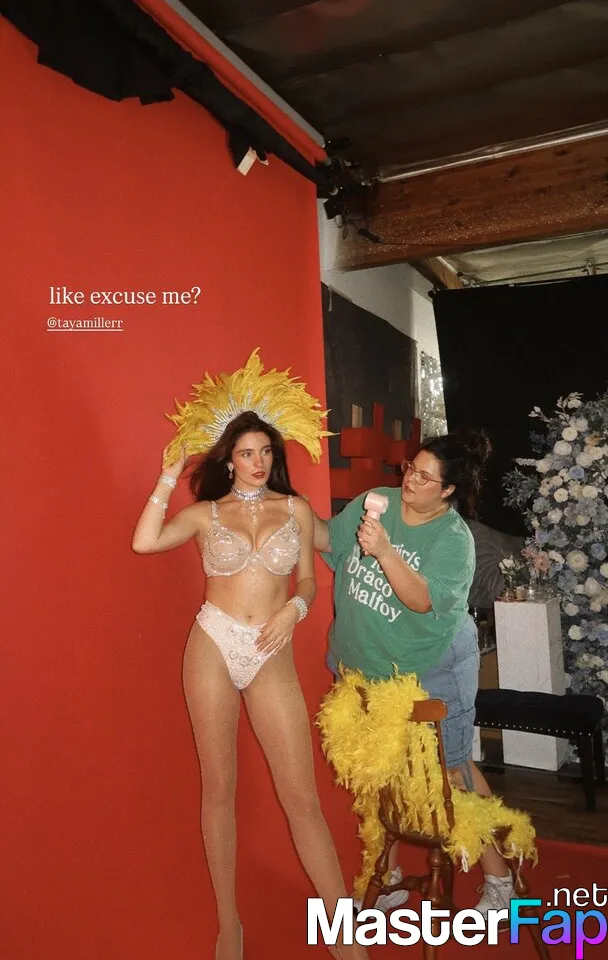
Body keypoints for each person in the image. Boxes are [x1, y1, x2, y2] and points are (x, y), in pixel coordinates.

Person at [131, 351, 368, 960]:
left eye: (265, 452)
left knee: (302, 799)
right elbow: (145, 542)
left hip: (271, 648)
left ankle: (346, 937)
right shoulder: (205, 514)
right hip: (213, 642)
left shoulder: (296, 508)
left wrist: (296, 610)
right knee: (219, 789)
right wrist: (167, 475)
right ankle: (229, 925)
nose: (257, 462)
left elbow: (313, 576)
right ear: (228, 460)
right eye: (245, 453)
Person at [313, 429, 516, 917]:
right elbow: (328, 540)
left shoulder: (453, 539)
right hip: (368, 663)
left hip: (432, 664)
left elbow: (421, 600)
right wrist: (288, 506)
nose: (410, 481)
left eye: (426, 478)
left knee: (451, 771)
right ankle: (389, 879)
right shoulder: (374, 502)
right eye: (411, 468)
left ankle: (500, 879)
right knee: (381, 769)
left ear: (448, 490)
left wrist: (385, 550)